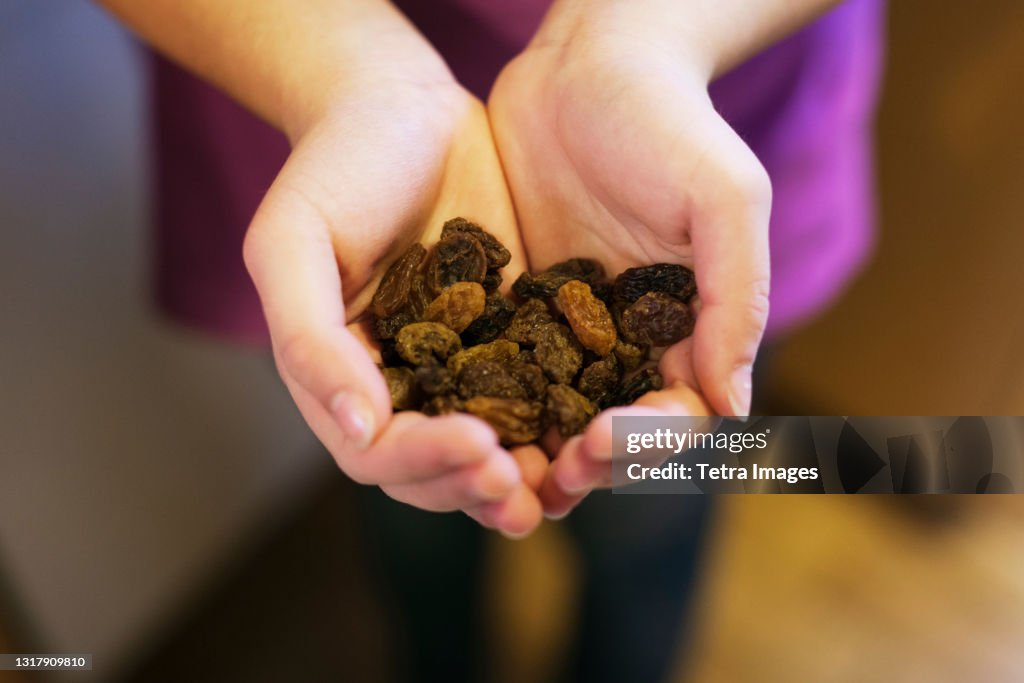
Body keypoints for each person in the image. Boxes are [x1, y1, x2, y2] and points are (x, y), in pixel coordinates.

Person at [99, 0, 883, 679]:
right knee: (415, 510)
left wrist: (643, 39)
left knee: (648, 526)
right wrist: (349, 75)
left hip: (689, 127)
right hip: (312, 102)